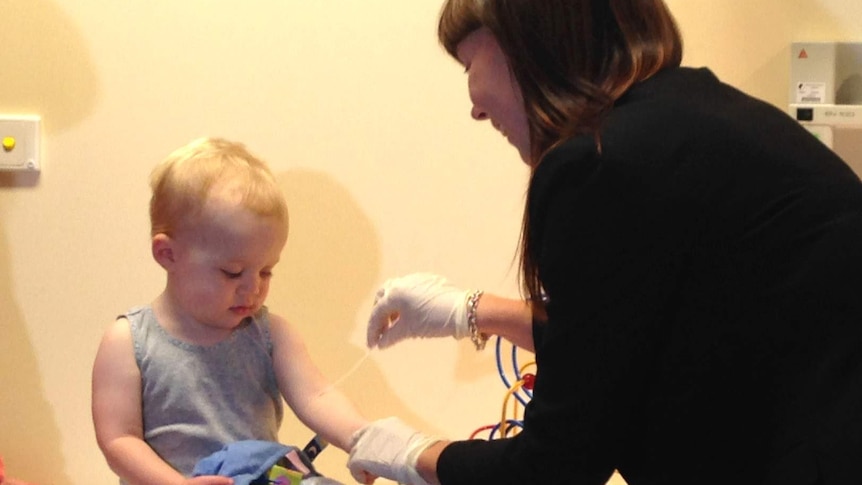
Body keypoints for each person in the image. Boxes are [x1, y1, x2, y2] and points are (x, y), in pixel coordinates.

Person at [346, 1, 862, 484]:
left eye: (468, 65)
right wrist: (471, 312)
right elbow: (626, 342)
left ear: (529, 38)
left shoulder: (601, 164)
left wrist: (413, 454)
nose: (475, 109)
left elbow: (558, 462)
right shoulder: (692, 118)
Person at [91, 137, 368, 485]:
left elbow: (317, 396)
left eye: (266, 271)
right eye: (233, 272)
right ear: (168, 255)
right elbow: (119, 440)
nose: (253, 288)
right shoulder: (128, 342)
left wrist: (363, 440)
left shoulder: (271, 334)